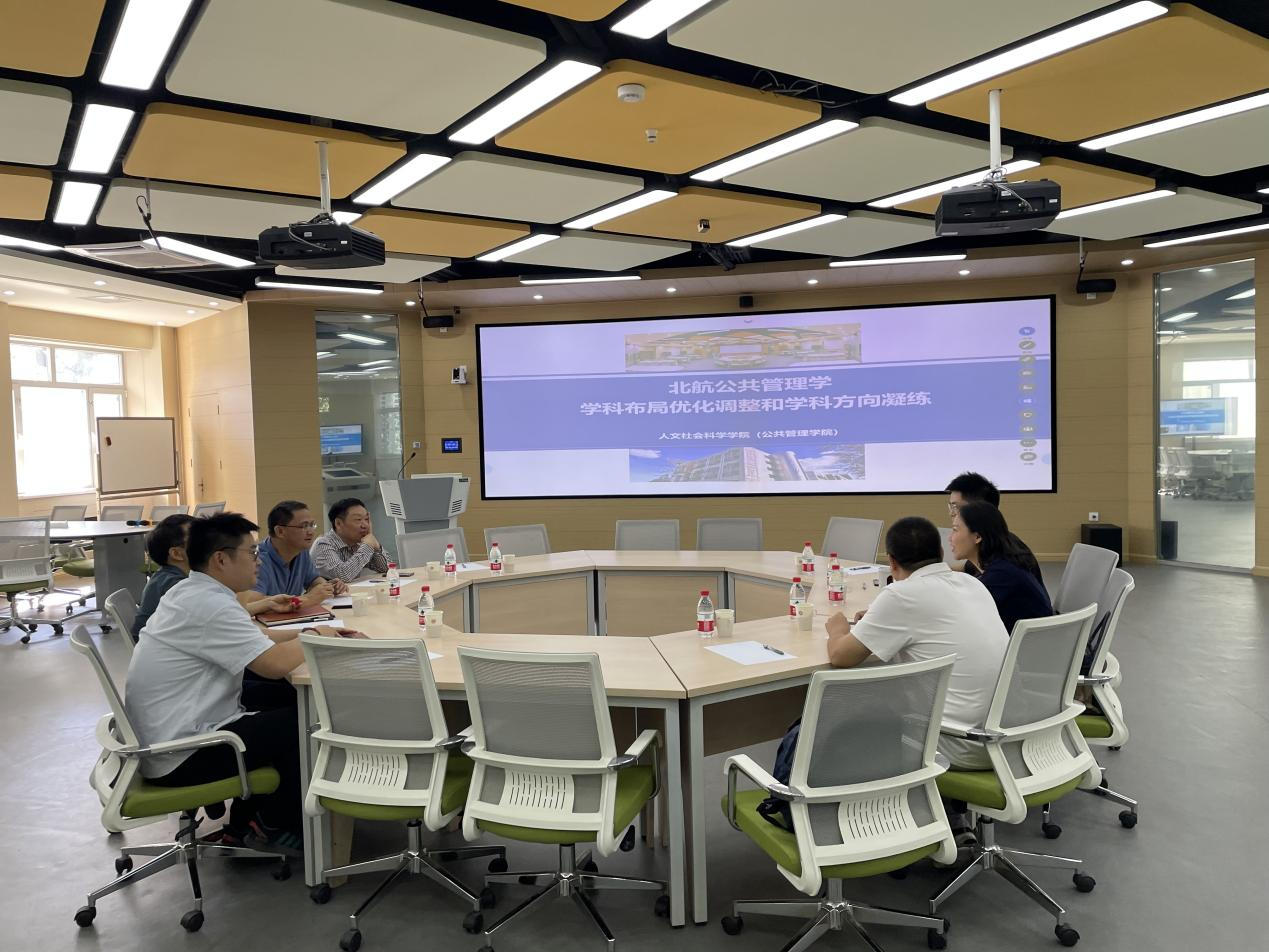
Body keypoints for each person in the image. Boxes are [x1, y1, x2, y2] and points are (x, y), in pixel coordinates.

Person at [124, 512, 365, 851]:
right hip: (183, 753)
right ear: (220, 559)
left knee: (290, 697)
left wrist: (318, 631)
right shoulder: (210, 604)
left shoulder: (194, 591)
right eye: (251, 553)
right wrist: (316, 636)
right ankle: (274, 822)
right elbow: (272, 664)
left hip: (172, 733)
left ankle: (246, 821)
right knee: (309, 720)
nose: (258, 561)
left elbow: (258, 638)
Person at [825, 516, 1009, 770]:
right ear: (941, 553)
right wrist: (881, 619)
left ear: (892, 562)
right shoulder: (972, 583)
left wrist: (838, 629)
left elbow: (840, 656)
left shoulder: (900, 595)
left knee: (845, 713)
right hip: (1007, 737)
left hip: (959, 744)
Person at [135, 514, 295, 638]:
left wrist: (268, 603)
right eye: (194, 539)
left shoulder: (188, 582)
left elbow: (231, 614)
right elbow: (225, 616)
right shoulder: (178, 586)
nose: (204, 542)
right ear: (176, 554)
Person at [950, 501, 1054, 637]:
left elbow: (959, 614)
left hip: (1030, 645)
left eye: (955, 530)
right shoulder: (1001, 556)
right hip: (1042, 639)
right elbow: (961, 568)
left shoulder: (1001, 575)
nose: (950, 538)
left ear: (977, 537)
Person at [944, 472, 1042, 584]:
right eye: (951, 506)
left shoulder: (1001, 572)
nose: (951, 513)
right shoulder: (995, 543)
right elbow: (965, 568)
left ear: (980, 509)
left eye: (956, 507)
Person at [253, 500, 346, 605]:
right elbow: (253, 603)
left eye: (312, 525)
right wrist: (308, 598)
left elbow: (313, 581)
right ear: (280, 531)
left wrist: (328, 587)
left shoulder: (300, 551)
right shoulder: (258, 559)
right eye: (304, 526)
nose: (311, 532)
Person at [310, 497, 389, 582]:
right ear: (338, 524)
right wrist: (368, 546)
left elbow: (387, 569)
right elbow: (343, 576)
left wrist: (377, 547)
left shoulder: (357, 544)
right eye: (358, 519)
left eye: (366, 519)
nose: (365, 525)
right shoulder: (323, 544)